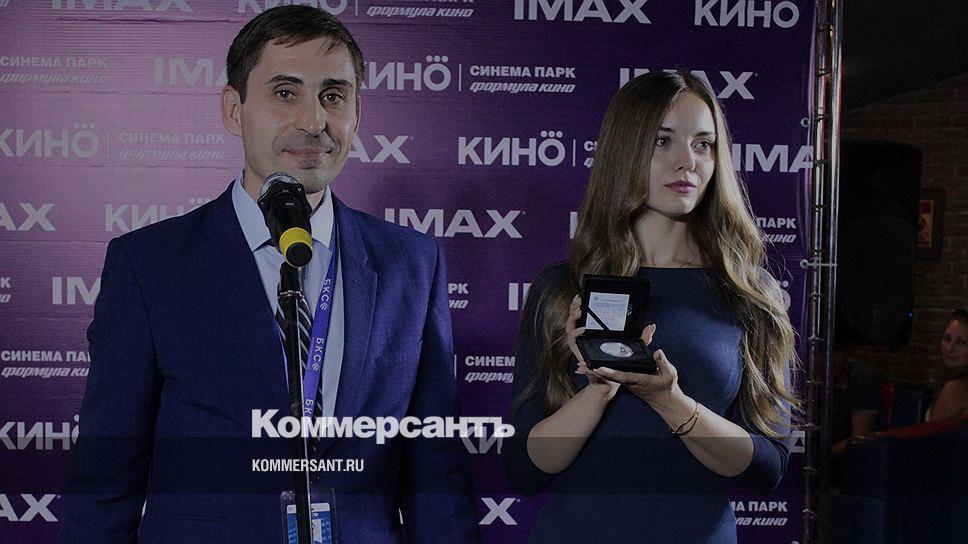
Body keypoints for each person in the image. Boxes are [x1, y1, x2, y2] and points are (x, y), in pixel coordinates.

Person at [60, 6, 479, 543]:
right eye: (285, 93)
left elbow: (437, 477)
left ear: (357, 113)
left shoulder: (412, 264)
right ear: (233, 110)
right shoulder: (149, 266)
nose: (313, 121)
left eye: (334, 96)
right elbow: (104, 482)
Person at [503, 71, 798, 543]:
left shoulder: (749, 292)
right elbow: (524, 470)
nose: (687, 161)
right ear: (625, 150)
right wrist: (598, 390)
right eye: (663, 141)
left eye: (704, 145)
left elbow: (766, 469)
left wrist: (668, 400)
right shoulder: (562, 289)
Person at [926, 308, 968, 421]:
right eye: (947, 338)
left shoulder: (955, 389)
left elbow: (933, 431)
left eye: (961, 342)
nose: (950, 348)